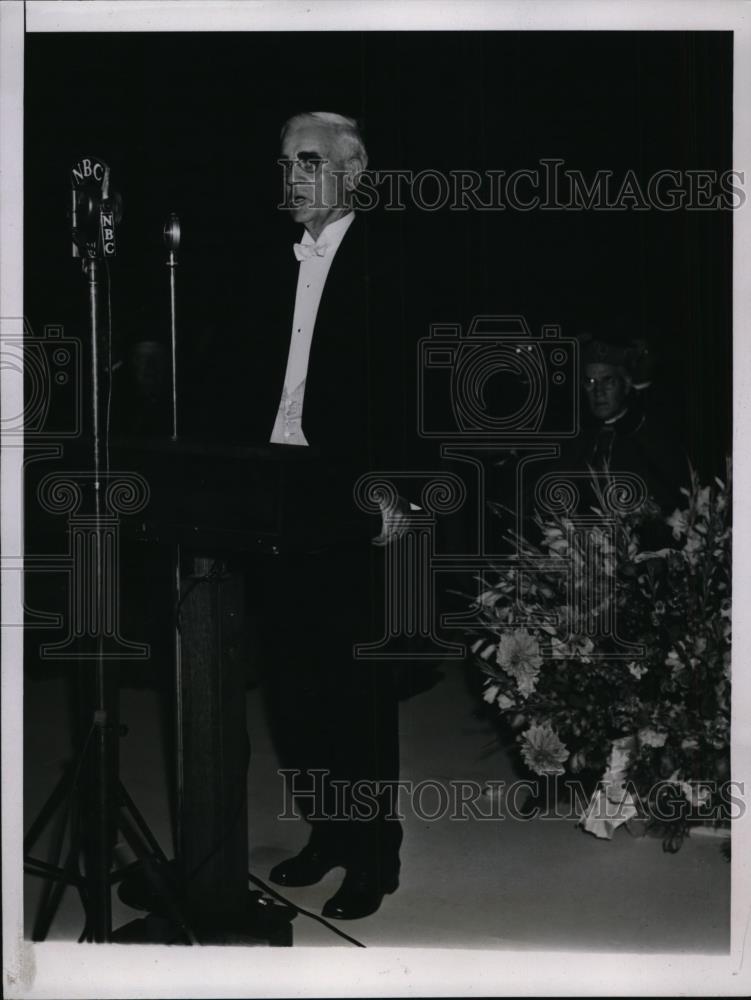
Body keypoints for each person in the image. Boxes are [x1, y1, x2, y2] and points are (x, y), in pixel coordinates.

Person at [241, 112, 412, 921]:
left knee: (355, 691)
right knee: (292, 685)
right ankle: (328, 833)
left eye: (306, 160)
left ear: (354, 171)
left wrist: (396, 488)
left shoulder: (395, 263)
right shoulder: (267, 262)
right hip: (274, 487)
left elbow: (421, 386)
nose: (290, 175)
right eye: (283, 162)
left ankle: (375, 856)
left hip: (350, 489)